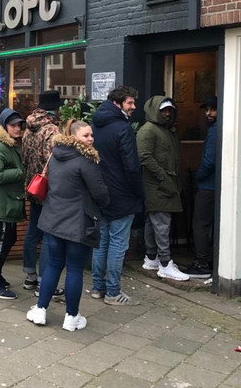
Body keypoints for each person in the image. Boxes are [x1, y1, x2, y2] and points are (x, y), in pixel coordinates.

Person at [27, 120, 109, 331]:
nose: (90, 139)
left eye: (91, 135)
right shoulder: (86, 161)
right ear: (73, 137)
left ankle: (40, 310)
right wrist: (105, 203)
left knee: (53, 264)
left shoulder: (55, 155)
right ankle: (71, 317)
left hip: (53, 219)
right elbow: (100, 192)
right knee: (74, 268)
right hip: (77, 223)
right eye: (85, 136)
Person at [90, 85, 144, 305]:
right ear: (117, 103)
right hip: (122, 194)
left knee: (101, 242)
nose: (133, 107)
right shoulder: (123, 129)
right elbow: (132, 167)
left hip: (100, 192)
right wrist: (139, 192)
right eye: (130, 103)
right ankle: (113, 292)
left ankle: (97, 288)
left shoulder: (95, 124)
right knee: (118, 245)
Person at [137, 96, 189, 281]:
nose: (167, 114)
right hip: (157, 185)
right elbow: (144, 157)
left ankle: (151, 258)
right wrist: (163, 177)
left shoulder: (167, 130)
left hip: (165, 183)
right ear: (154, 111)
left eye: (170, 110)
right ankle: (165, 264)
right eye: (163, 110)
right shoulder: (148, 130)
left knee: (153, 222)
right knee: (162, 224)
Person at [21, 90, 62, 296]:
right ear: (55, 107)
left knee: (32, 231)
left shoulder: (28, 128)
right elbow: (53, 160)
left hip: (32, 185)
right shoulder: (53, 130)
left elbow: (24, 158)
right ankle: (46, 282)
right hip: (48, 187)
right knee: (48, 234)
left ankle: (30, 275)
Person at [0, 108, 26, 300]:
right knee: (2, 241)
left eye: (19, 125)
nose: (17, 128)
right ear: (4, 127)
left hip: (8, 201)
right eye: (13, 125)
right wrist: (20, 172)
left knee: (8, 238)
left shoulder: (8, 145)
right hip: (3, 203)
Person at [182, 97, 218, 279]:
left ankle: (202, 263)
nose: (208, 113)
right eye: (207, 109)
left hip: (208, 185)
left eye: (213, 110)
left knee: (201, 224)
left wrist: (199, 176)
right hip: (216, 185)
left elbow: (209, 160)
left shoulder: (214, 131)